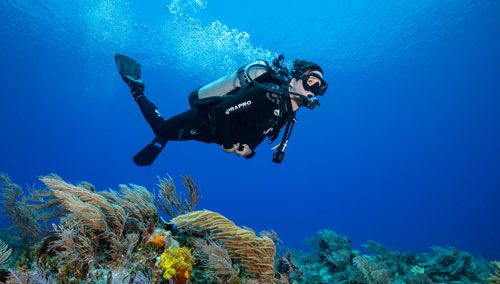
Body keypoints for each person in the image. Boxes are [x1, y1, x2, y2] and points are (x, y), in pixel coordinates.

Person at [114, 54, 328, 166]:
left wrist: (250, 151)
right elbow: (224, 110)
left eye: (320, 87)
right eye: (311, 82)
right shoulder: (268, 93)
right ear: (294, 80)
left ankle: (165, 136)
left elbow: (262, 131)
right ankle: (137, 89)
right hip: (203, 121)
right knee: (161, 130)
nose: (315, 91)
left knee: (168, 133)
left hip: (213, 135)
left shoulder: (288, 113)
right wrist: (227, 144)